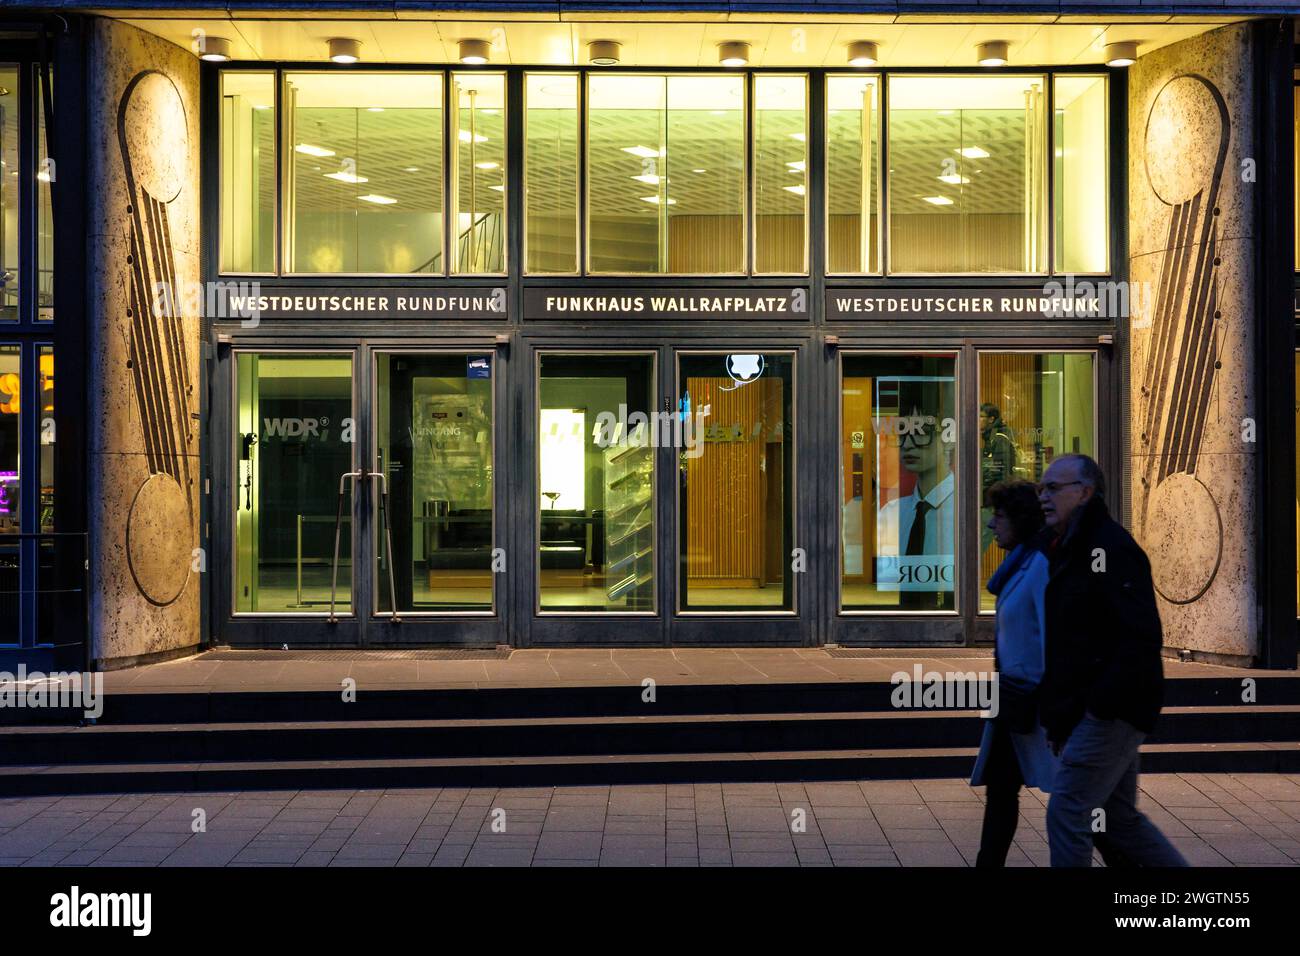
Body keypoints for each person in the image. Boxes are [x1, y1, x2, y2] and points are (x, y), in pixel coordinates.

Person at [1036, 453, 1188, 868]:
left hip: (1111, 710)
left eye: (1053, 488)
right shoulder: (1067, 546)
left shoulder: (1108, 547)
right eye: (1040, 488)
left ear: (1084, 493)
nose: (1043, 497)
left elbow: (1137, 638)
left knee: (1068, 811)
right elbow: (1072, 645)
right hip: (1098, 707)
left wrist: (1097, 709)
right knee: (1115, 821)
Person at [971, 479, 1058, 867]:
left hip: (1034, 700)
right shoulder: (1021, 562)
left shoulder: (1039, 565)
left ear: (1021, 520)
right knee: (1001, 789)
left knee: (1078, 802)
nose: (992, 525)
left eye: (999, 516)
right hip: (1013, 698)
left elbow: (1055, 635)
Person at [979, 404, 1018, 553]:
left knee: (984, 536)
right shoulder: (991, 438)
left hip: (995, 499)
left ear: (991, 419)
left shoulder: (999, 438)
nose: (978, 420)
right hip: (993, 497)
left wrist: (983, 490)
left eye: (981, 417)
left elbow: (999, 470)